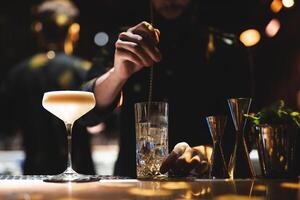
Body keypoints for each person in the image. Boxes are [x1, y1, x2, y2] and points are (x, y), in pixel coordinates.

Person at [83, 0, 252, 177]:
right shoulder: (125, 42)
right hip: (134, 182)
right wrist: (117, 74)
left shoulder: (228, 49)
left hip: (203, 184)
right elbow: (86, 112)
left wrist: (209, 152)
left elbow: (242, 131)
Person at [0, 0, 95, 175]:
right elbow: (97, 121)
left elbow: (8, 126)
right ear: (74, 31)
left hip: (35, 172)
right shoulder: (84, 69)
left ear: (39, 30)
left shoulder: (19, 72)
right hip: (81, 172)